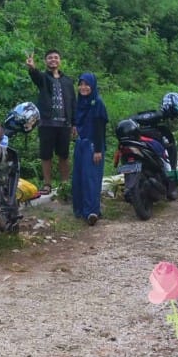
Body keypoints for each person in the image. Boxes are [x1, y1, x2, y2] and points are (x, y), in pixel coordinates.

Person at [25, 49, 76, 195]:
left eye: (55, 57)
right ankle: (47, 184)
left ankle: (64, 184)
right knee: (46, 155)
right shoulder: (44, 78)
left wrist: (74, 123)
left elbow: (73, 102)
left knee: (64, 155)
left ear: (60, 60)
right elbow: (36, 77)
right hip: (47, 123)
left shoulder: (67, 81)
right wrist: (32, 67)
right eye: (49, 58)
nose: (53, 60)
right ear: (46, 61)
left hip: (64, 124)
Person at [72, 72, 108, 225]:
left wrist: (98, 149)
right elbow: (77, 121)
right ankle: (80, 210)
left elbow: (100, 128)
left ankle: (92, 212)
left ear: (92, 86)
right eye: (81, 84)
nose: (83, 87)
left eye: (86, 84)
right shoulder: (80, 102)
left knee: (91, 179)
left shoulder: (97, 103)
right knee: (79, 178)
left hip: (93, 145)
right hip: (81, 143)